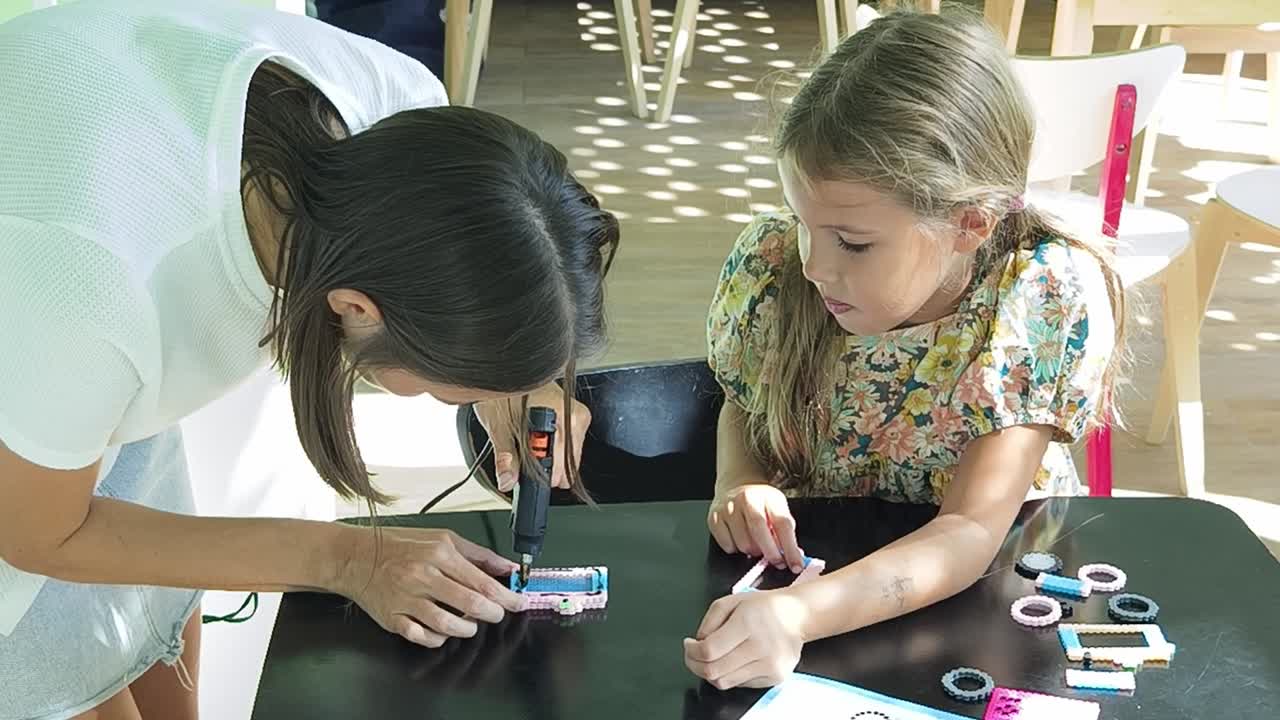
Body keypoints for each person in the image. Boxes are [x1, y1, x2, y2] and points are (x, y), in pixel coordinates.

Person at [0, 2, 618, 719]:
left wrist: (520, 365)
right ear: (357, 308)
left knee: (159, 665)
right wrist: (348, 559)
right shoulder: (94, 284)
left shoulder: (395, 113)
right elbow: (39, 532)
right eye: (456, 387)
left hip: (66, 354)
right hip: (26, 388)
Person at [684, 9, 1125, 690]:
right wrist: (739, 479)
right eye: (803, 223)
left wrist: (797, 616)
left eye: (853, 243)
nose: (813, 265)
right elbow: (747, 402)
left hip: (989, 612)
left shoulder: (1035, 297)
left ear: (968, 225)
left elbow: (970, 533)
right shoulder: (772, 263)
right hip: (812, 593)